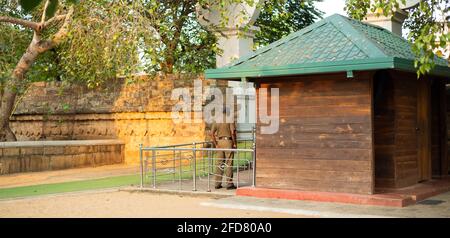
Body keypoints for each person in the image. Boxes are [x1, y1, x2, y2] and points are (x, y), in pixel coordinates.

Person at [210, 108, 237, 190]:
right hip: (228, 142)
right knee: (229, 163)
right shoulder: (230, 119)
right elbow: (233, 132)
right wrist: (235, 143)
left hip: (220, 142)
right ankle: (229, 184)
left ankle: (217, 183)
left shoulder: (216, 120)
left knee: (219, 163)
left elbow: (211, 133)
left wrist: (216, 144)